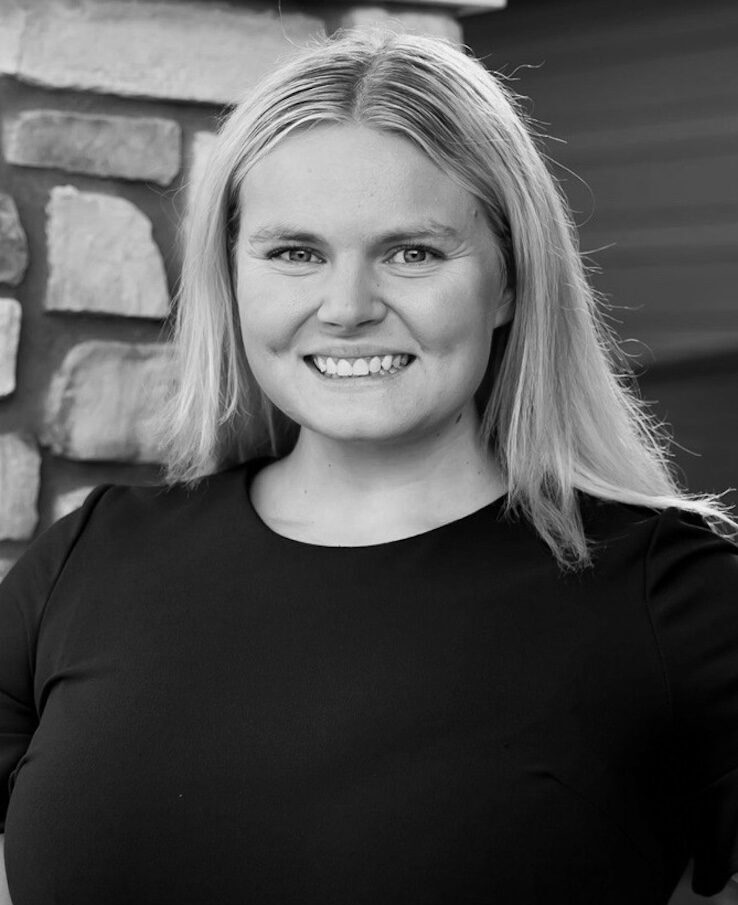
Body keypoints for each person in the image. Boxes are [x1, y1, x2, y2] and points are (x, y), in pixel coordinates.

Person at [1, 26, 737, 905]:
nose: (346, 307)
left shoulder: (675, 596)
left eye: (412, 252)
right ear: (232, 280)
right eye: (295, 253)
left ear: (509, 282)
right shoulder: (88, 560)